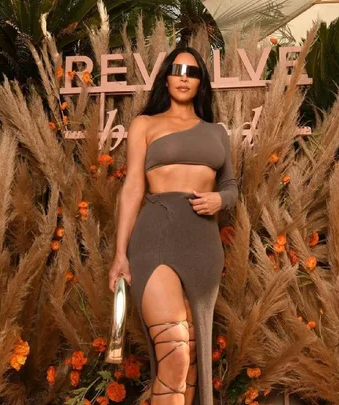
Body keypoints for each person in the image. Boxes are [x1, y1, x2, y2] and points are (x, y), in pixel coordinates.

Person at [107, 46, 238, 405]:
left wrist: (219, 201)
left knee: (194, 361)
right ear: (166, 76)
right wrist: (120, 254)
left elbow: (230, 188)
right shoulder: (145, 124)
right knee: (176, 356)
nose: (183, 76)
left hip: (202, 244)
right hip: (156, 237)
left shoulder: (217, 132)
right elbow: (133, 186)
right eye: (177, 69)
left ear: (201, 82)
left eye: (192, 72)